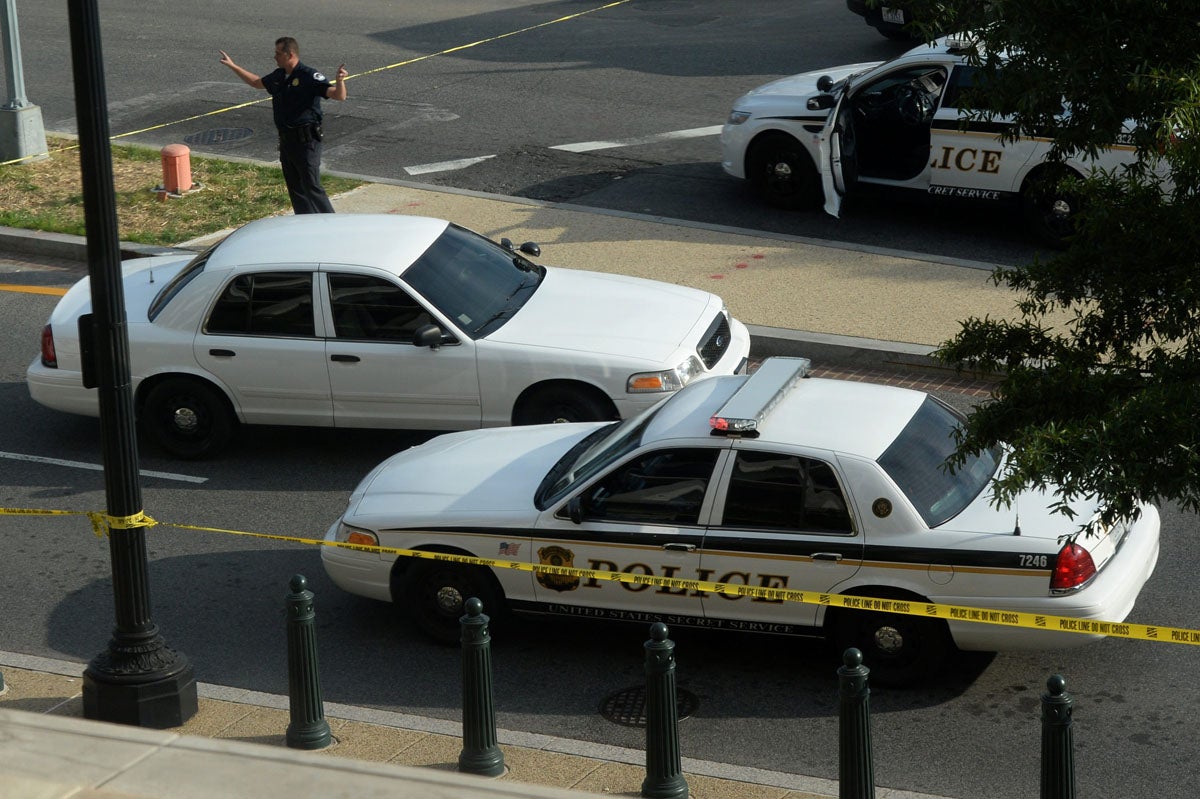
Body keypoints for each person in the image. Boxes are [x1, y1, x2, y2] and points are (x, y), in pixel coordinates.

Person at [219, 38, 348, 214]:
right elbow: (257, 83)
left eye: (278, 53)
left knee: (312, 186)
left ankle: (332, 226)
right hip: (287, 142)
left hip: (307, 142)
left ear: (290, 54)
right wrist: (233, 66)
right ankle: (305, 224)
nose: (275, 57)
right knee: (296, 189)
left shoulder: (308, 76)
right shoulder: (279, 75)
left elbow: (338, 96)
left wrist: (340, 81)